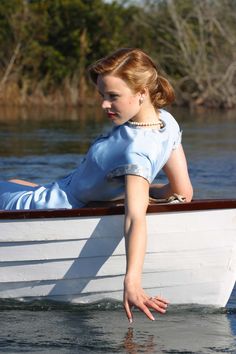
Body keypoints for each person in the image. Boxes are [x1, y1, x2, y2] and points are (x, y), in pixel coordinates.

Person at [0, 48, 193, 322]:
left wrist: (132, 281)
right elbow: (181, 193)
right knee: (14, 183)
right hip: (52, 192)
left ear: (142, 92)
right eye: (102, 95)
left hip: (54, 205)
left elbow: (135, 219)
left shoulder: (136, 150)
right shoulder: (166, 123)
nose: (104, 105)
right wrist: (132, 193)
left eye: (113, 96)